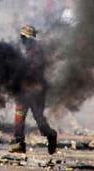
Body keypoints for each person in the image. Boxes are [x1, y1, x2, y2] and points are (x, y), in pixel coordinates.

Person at [10, 25, 57, 154]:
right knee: (19, 116)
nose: (22, 40)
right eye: (21, 37)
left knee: (39, 119)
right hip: (23, 89)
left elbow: (35, 69)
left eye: (24, 37)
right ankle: (19, 143)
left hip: (36, 90)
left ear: (30, 38)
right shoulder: (25, 50)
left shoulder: (37, 51)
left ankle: (51, 135)